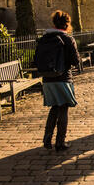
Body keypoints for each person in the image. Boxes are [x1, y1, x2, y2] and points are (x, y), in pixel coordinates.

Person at [36, 10, 80, 151]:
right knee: (63, 109)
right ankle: (60, 142)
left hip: (47, 79)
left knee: (54, 108)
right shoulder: (67, 39)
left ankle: (47, 138)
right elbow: (75, 61)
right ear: (67, 24)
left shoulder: (44, 38)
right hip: (63, 78)